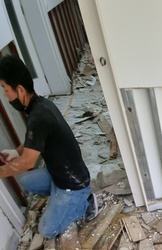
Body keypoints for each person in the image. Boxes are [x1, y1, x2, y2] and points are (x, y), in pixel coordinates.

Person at [0, 55, 98, 239]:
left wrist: (2, 171)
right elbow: (33, 141)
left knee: (47, 230)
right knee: (26, 181)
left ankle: (85, 202)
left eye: (5, 89)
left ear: (20, 89)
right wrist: (15, 152)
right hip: (60, 173)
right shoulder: (41, 105)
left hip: (73, 183)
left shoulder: (38, 117)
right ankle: (60, 199)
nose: (6, 96)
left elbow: (27, 163)